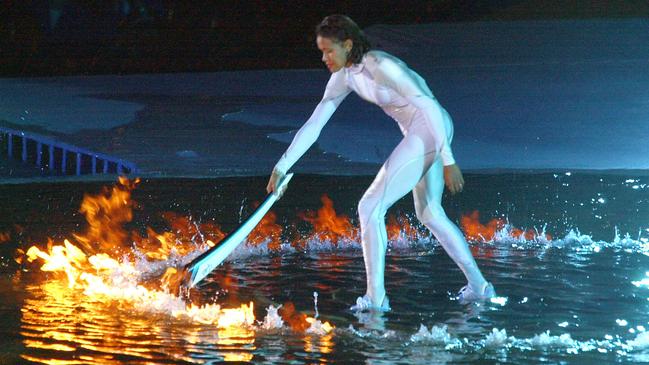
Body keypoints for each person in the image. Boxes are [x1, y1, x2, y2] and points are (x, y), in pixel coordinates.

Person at [266, 14, 495, 311]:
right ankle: (480, 286)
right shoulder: (344, 77)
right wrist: (282, 166)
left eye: (329, 50)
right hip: (421, 133)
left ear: (348, 45)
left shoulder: (380, 66)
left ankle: (376, 298)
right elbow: (315, 123)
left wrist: (447, 158)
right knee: (429, 213)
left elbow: (427, 103)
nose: (324, 57)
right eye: (321, 51)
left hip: (431, 127)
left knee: (369, 206)